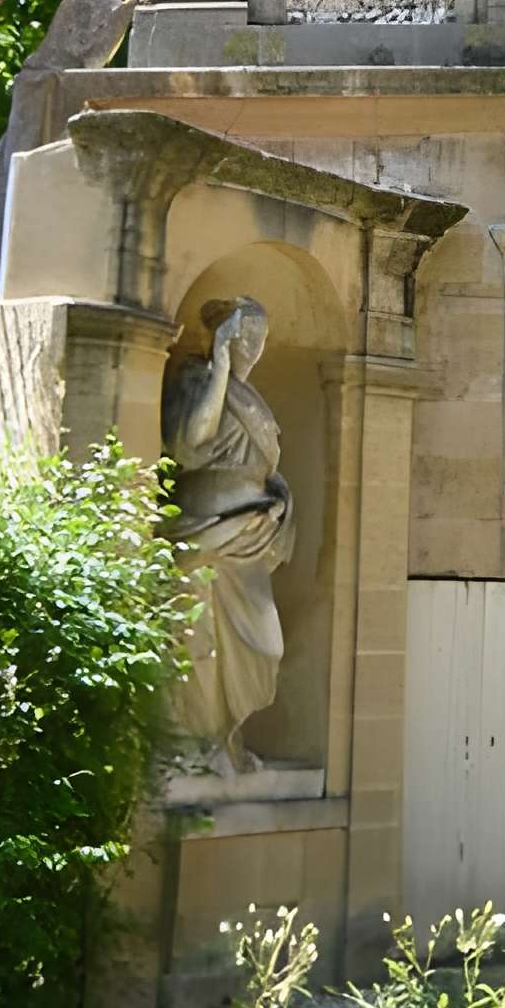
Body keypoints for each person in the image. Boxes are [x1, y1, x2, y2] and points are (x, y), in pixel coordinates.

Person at [162, 297, 296, 773]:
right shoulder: (194, 381)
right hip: (205, 527)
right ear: (226, 337)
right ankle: (194, 743)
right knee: (198, 637)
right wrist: (219, 366)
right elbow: (192, 446)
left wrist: (279, 495)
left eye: (262, 336)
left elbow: (265, 467)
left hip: (250, 535)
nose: (257, 346)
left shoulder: (255, 398)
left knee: (265, 646)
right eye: (247, 335)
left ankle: (225, 738)